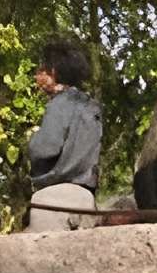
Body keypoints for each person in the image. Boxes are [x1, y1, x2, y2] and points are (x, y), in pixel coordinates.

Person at [23, 39, 101, 231]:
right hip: (85, 199)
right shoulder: (91, 106)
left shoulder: (60, 103)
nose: (36, 76)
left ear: (53, 72)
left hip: (55, 200)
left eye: (41, 70)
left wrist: (31, 141)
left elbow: (46, 148)